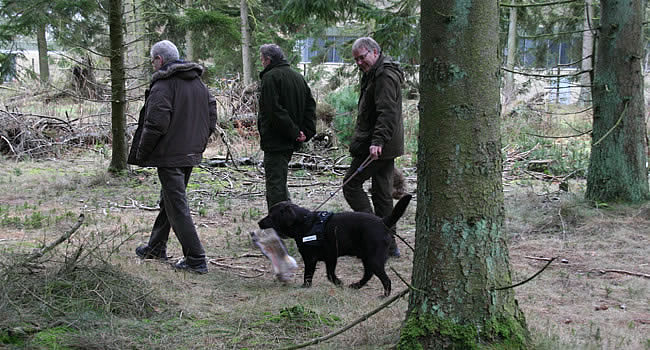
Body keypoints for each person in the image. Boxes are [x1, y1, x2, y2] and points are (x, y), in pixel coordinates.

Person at [128, 40, 217, 274]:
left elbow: (155, 124)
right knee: (169, 201)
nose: (152, 65)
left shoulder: (163, 85)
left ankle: (196, 258)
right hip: (189, 154)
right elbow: (212, 118)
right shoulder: (199, 84)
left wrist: (142, 152)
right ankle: (156, 247)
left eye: (152, 60)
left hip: (170, 156)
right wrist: (198, 143)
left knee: (176, 206)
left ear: (159, 59)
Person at [343, 37, 405, 257]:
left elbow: (387, 113)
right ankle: (389, 246)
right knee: (382, 193)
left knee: (350, 185)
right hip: (383, 144)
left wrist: (377, 142)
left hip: (378, 146)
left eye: (362, 57)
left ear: (375, 52)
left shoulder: (384, 75)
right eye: (356, 60)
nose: (359, 62)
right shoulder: (373, 73)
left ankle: (373, 234)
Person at [257, 44, 316, 210]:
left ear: (268, 60)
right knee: (280, 182)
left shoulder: (270, 78)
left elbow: (274, 111)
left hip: (276, 140)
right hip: (290, 139)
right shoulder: (298, 77)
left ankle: (279, 226)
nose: (261, 63)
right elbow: (310, 107)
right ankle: (289, 219)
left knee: (275, 185)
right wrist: (306, 132)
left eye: (262, 59)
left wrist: (297, 132)